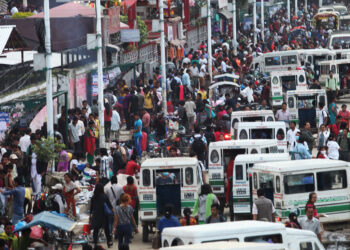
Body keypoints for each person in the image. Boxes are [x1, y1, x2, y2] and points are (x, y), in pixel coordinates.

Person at [90, 183, 113, 248]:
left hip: (96, 215)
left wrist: (90, 215)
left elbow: (91, 208)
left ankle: (95, 243)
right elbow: (109, 205)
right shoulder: (105, 196)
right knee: (106, 229)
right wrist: (113, 211)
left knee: (96, 230)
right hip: (104, 215)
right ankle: (109, 242)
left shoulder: (93, 197)